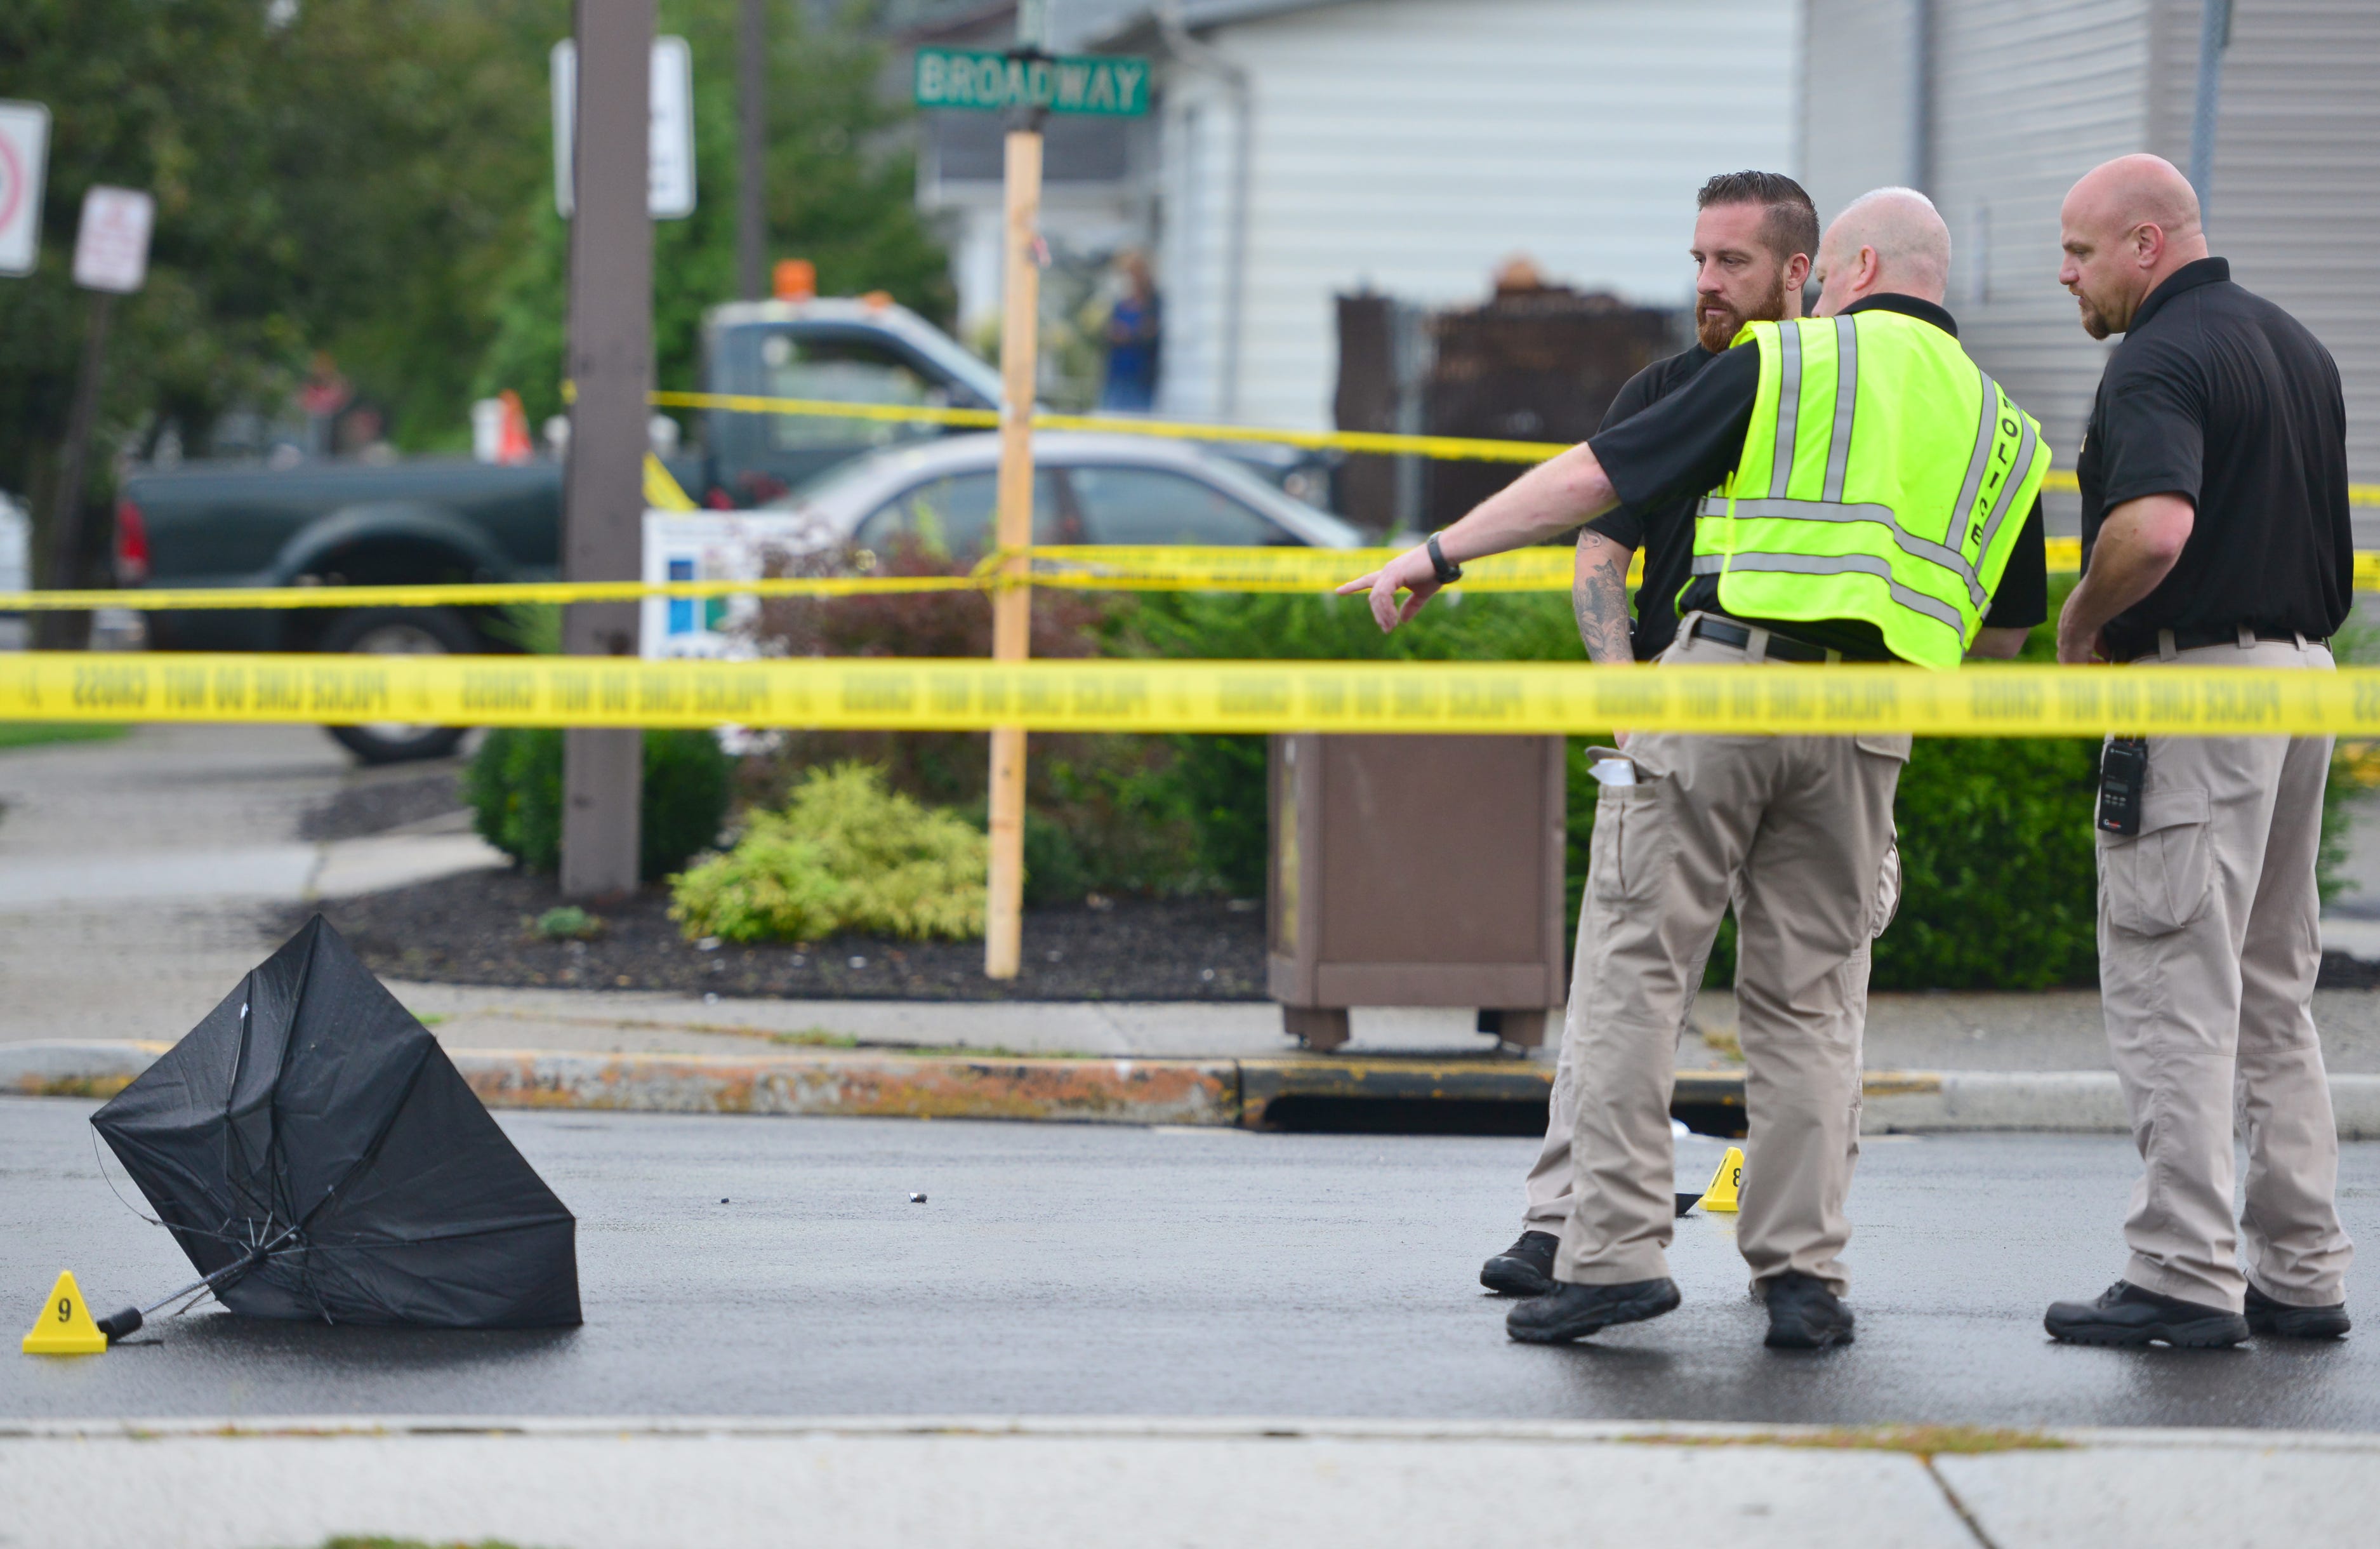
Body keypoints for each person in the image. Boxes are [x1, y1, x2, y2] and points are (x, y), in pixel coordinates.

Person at [1343, 187, 2051, 1350]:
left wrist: (1439, 553)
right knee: (1814, 1008)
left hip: (1725, 686)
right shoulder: (2004, 428)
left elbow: (1593, 482)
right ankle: (1802, 1277)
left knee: (1635, 978)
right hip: (1870, 721)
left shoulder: (1791, 361)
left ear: (1849, 267)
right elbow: (2006, 631)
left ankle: (1612, 1256)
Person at [1481, 170, 1820, 1299]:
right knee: (1619, 989)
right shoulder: (1667, 390)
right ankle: (1562, 1224)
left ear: (1798, 270)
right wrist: (1627, 698)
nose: (1707, 284)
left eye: (1732, 262)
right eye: (1698, 261)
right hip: (1677, 724)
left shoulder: (1838, 401)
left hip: (1816, 724)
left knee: (1806, 1007)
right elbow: (1599, 550)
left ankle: (1795, 1261)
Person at [2044, 154, 2355, 1348]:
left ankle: (2181, 1271)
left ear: (2147, 244)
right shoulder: (2296, 348)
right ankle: (2302, 1270)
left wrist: (2083, 621)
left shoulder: (2156, 358)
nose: (2066, 275)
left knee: (2175, 980)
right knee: (2273, 992)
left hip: (2197, 690)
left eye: (2079, 251)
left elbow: (2156, 528)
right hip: (2302, 684)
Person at [1098, 250, 1161, 411]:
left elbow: (1151, 332)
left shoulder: (1153, 303)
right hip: (1117, 375)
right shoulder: (1121, 304)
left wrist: (1130, 335)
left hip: (1141, 378)